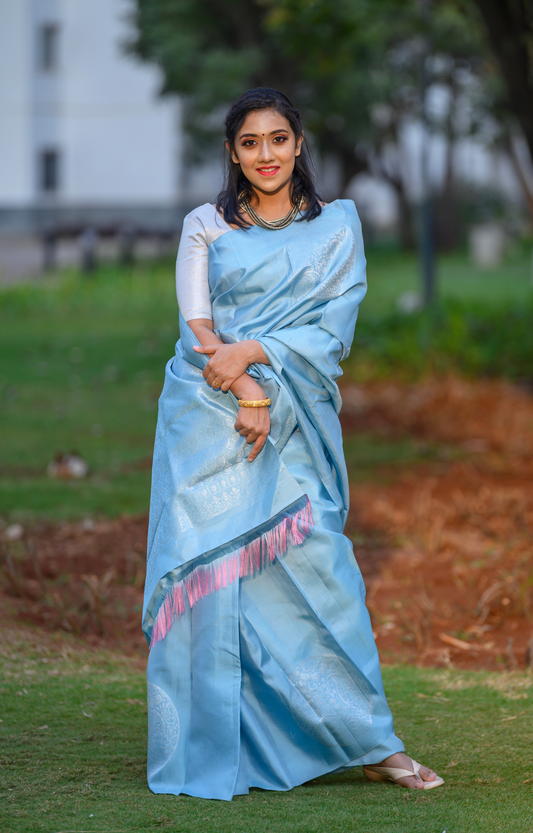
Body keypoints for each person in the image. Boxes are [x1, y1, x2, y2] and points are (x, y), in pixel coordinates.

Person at [142, 87, 444, 800]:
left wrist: (254, 357)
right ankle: (220, 738)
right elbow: (197, 330)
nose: (266, 155)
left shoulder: (337, 227)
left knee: (321, 577)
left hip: (297, 414)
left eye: (278, 139)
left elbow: (331, 333)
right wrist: (246, 390)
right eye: (250, 143)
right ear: (231, 152)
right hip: (210, 416)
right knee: (221, 585)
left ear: (299, 144)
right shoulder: (204, 225)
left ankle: (371, 740)